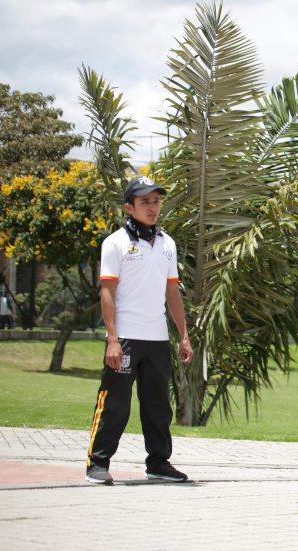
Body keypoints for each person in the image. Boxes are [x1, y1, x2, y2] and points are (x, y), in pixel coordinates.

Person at [85, 176, 194, 485]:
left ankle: (159, 463)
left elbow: (172, 294)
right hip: (127, 339)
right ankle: (98, 463)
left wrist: (183, 335)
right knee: (115, 404)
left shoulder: (167, 244)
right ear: (129, 207)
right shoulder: (115, 243)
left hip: (158, 339)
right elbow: (107, 292)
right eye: (145, 202)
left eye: (156, 201)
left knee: (159, 406)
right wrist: (113, 340)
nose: (152, 207)